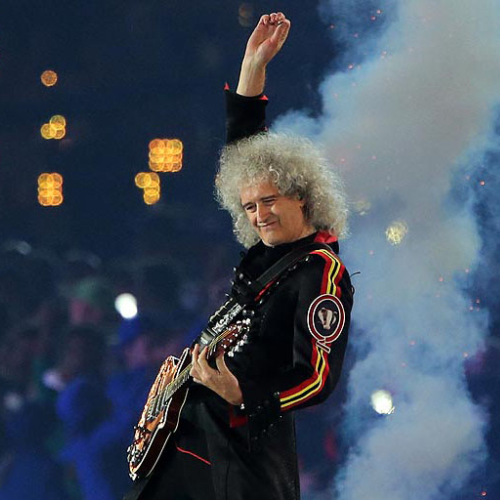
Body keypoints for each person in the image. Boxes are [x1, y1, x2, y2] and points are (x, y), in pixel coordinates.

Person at [125, 10, 354, 500]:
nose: (259, 215)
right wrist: (253, 66)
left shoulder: (320, 271)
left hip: (242, 452)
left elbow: (318, 376)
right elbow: (244, 154)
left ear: (302, 197)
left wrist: (245, 395)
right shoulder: (265, 255)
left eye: (269, 201)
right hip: (189, 435)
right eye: (249, 206)